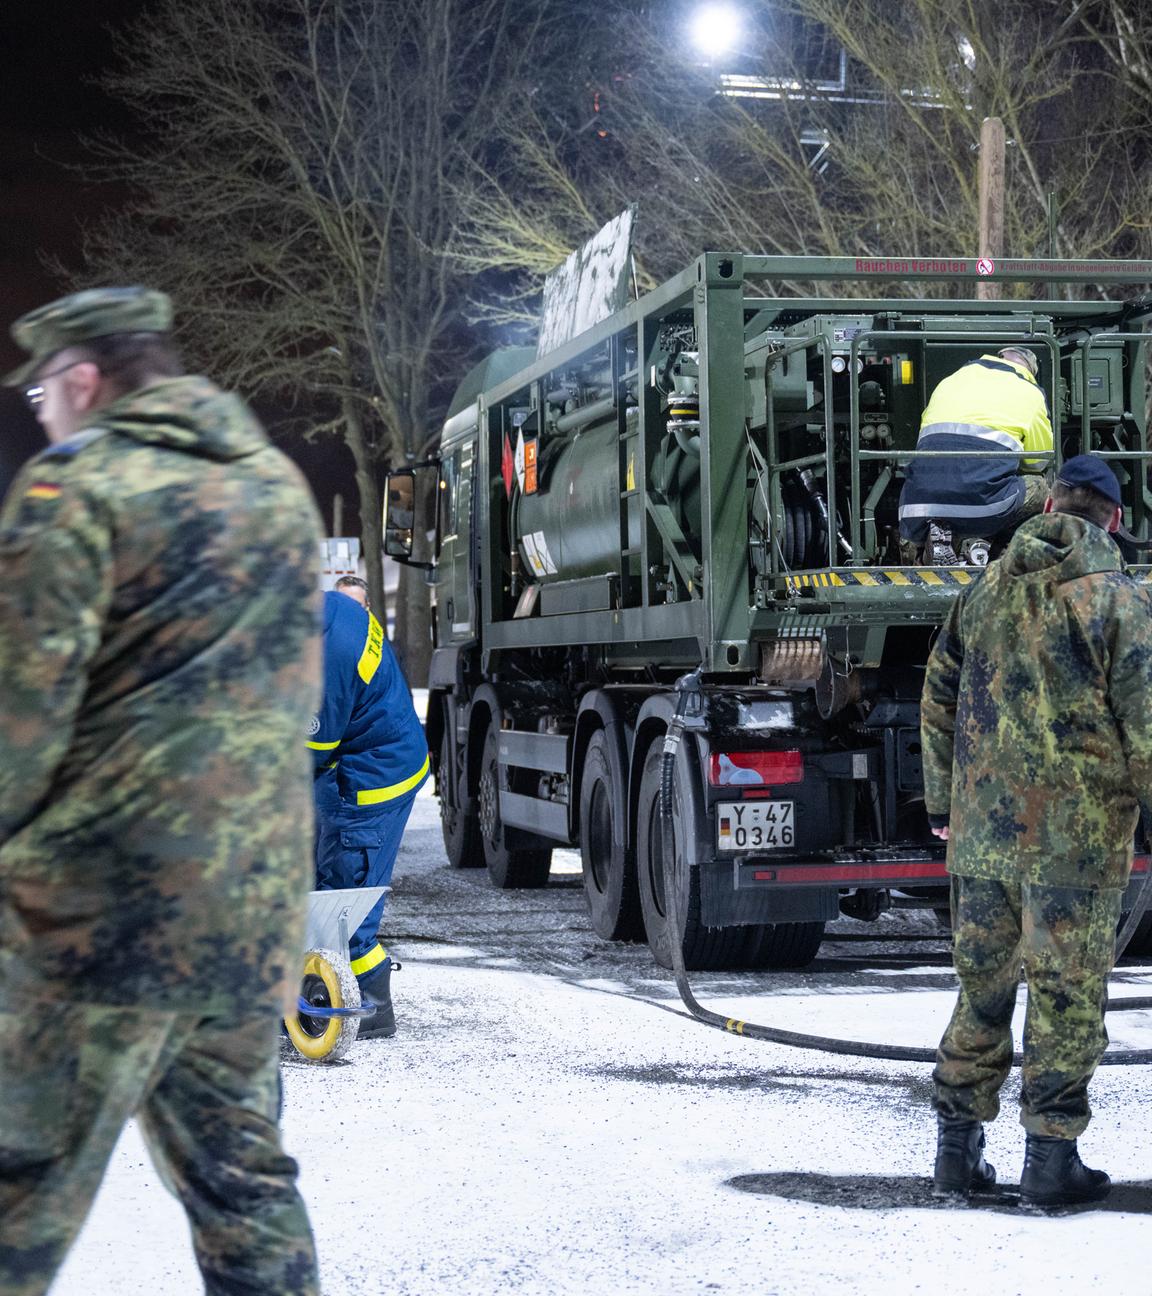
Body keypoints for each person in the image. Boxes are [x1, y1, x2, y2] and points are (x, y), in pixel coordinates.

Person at [0, 287, 324, 1294]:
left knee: (19, 1178)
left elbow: (19, 714)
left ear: (84, 379)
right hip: (247, 918)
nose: (40, 415)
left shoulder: (77, 488)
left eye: (44, 394)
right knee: (244, 1185)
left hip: (99, 917)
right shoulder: (275, 487)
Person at [921, 455, 1152, 1207]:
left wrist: (940, 804)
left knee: (981, 989)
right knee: (1065, 994)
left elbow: (940, 692)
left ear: (1048, 505)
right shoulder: (1117, 602)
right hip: (1074, 841)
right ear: (1113, 519)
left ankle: (956, 1153)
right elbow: (1147, 721)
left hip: (982, 835)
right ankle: (1050, 1165)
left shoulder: (983, 592)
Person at [308, 588, 428, 1037]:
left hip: (371, 781)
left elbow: (308, 756)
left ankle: (371, 1008)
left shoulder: (327, 655)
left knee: (342, 900)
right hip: (374, 756)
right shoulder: (334, 608)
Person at [899, 346, 1053, 562]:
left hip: (918, 504)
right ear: (1030, 369)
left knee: (941, 503)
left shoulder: (950, 380)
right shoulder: (1030, 391)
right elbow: (1038, 461)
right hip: (981, 504)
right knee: (1041, 488)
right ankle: (999, 561)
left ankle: (928, 557)